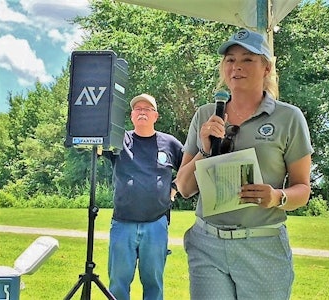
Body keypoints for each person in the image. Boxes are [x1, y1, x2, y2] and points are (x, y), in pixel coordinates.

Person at [176, 29, 314, 299]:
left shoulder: (289, 117)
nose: (236, 66)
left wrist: (277, 197)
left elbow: (303, 190)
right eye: (230, 59)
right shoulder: (205, 114)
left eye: (248, 59)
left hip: (262, 245)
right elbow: (183, 187)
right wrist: (204, 150)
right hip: (207, 245)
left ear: (266, 67)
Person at [104, 93, 183, 300]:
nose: (142, 112)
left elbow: (189, 167)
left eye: (147, 109)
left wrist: (175, 187)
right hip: (122, 224)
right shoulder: (120, 140)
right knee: (118, 284)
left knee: (154, 284)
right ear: (131, 116)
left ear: (155, 116)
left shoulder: (170, 143)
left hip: (156, 224)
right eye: (137, 109)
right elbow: (96, 148)